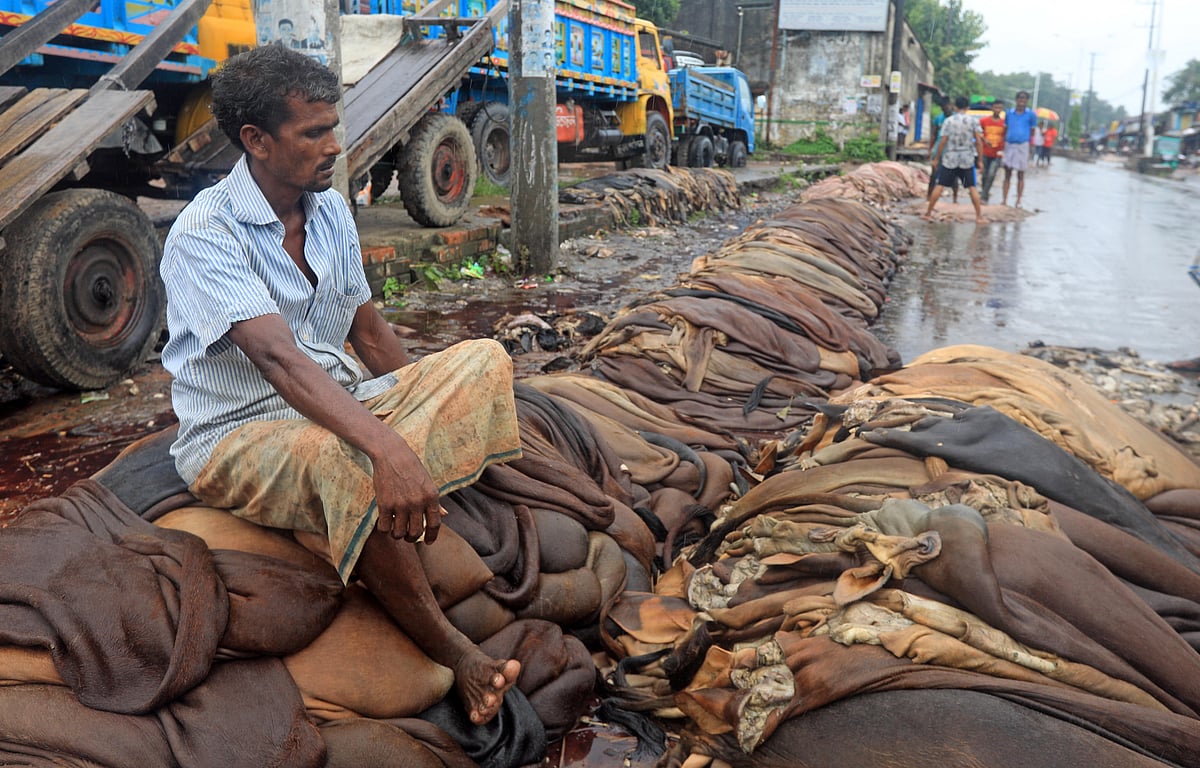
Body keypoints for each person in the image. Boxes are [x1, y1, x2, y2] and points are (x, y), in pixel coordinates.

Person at [159, 45, 522, 726]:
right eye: (314, 133)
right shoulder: (204, 234)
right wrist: (387, 447)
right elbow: (279, 361)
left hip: (344, 400)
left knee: (484, 359)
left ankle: (377, 494)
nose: (334, 146)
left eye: (334, 126)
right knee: (345, 456)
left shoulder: (327, 211)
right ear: (256, 141)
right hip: (241, 431)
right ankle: (454, 650)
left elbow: (371, 334)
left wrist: (417, 394)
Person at [923, 95, 985, 225]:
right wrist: (979, 160)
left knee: (940, 185)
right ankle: (979, 216)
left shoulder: (949, 121)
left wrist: (936, 158)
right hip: (967, 158)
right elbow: (979, 141)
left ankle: (928, 213)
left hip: (950, 157)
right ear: (968, 107)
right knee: (972, 187)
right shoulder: (973, 121)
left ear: (955, 107)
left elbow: (943, 141)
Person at [1001, 90, 1037, 207]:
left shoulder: (1031, 115)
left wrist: (1030, 147)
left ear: (1027, 101)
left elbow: (1032, 131)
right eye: (1020, 98)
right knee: (1007, 173)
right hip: (1010, 144)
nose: (1022, 101)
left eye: (1024, 99)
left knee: (1021, 174)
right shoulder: (1009, 113)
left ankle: (1018, 200)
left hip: (1023, 145)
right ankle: (1004, 200)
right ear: (1016, 100)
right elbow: (1005, 129)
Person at [978, 98, 1006, 203]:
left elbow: (1005, 136)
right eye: (996, 107)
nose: (997, 110)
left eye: (1000, 108)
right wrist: (984, 139)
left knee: (991, 174)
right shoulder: (984, 121)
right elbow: (978, 133)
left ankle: (984, 196)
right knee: (984, 174)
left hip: (997, 153)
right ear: (992, 108)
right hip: (985, 151)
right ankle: (984, 191)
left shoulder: (1004, 123)